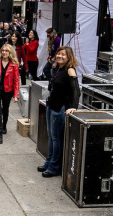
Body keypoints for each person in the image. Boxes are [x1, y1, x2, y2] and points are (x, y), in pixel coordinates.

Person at [38, 46, 80, 178]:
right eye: (58, 54)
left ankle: (54, 167)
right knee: (51, 137)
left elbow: (76, 90)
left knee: (56, 139)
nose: (60, 56)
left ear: (69, 57)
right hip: (52, 105)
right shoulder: (59, 69)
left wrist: (73, 106)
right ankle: (49, 162)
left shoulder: (70, 70)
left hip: (60, 108)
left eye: (63, 55)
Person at [0, 44, 20, 144]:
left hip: (8, 90)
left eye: (6, 51)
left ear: (10, 52)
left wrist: (16, 95)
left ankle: (4, 126)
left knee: (5, 109)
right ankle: (0, 133)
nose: (4, 52)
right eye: (2, 50)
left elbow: (16, 80)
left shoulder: (14, 64)